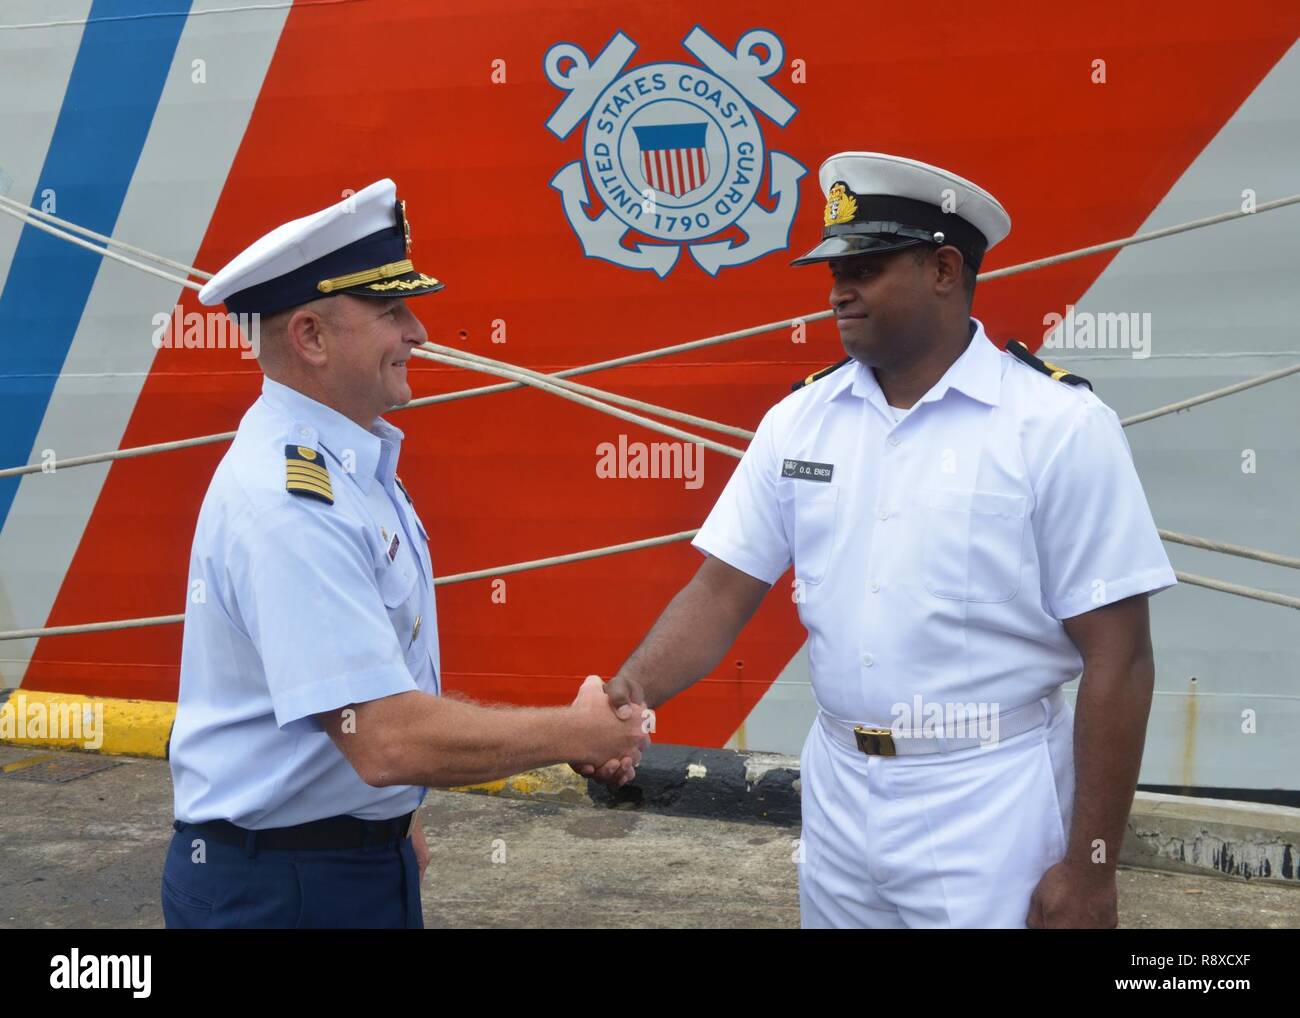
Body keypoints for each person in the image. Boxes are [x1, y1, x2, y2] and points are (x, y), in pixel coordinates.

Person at [586, 152, 1177, 928]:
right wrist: (621, 701)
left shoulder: (1058, 430)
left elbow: (1120, 656)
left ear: (942, 268)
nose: (839, 290)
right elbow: (722, 592)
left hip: (987, 799)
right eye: (833, 270)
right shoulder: (800, 421)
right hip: (837, 799)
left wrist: (1091, 868)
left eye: (864, 267)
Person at [163, 179, 647, 929]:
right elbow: (382, 738)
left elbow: (363, 728)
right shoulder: (291, 501)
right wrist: (574, 733)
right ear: (311, 337)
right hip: (284, 894)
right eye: (391, 312)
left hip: (338, 864)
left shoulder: (348, 466)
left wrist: (389, 818)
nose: (418, 331)